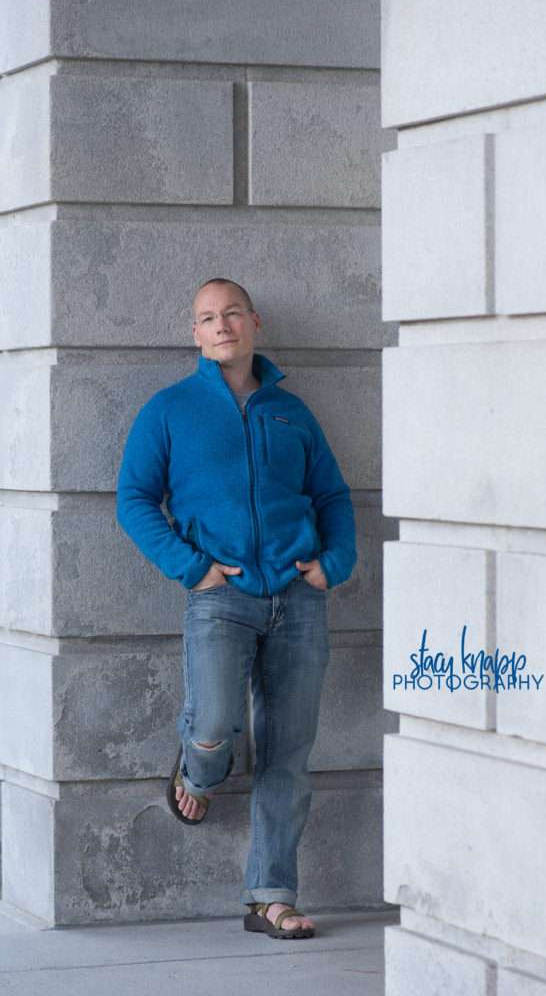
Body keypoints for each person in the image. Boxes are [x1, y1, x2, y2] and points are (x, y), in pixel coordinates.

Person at [116, 277, 357, 939]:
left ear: (254, 322)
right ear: (194, 334)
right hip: (220, 600)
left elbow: (333, 496)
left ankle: (271, 897)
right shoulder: (169, 410)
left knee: (288, 753)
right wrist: (194, 568)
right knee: (215, 720)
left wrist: (330, 565)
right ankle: (200, 765)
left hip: (298, 603)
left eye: (230, 314)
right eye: (206, 318)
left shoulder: (292, 413)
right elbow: (134, 499)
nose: (220, 326)